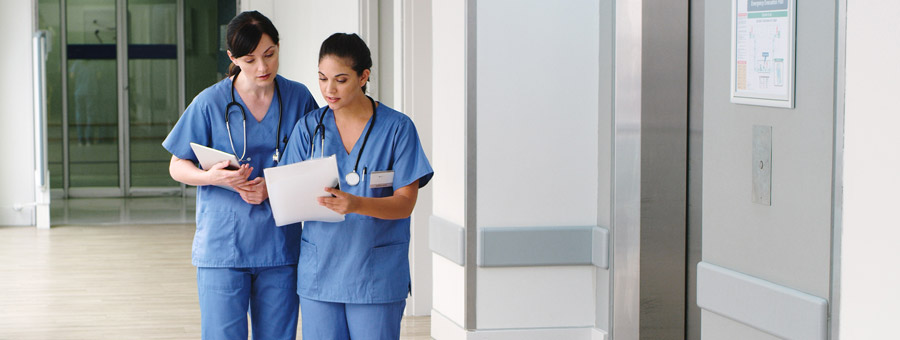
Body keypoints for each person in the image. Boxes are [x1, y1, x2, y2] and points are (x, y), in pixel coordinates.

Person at [161, 11, 317, 340]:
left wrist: (272, 188)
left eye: (270, 54)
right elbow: (177, 165)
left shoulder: (299, 98)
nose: (263, 68)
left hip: (279, 246)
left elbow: (317, 168)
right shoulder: (210, 102)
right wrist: (214, 178)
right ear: (232, 58)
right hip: (223, 247)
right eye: (250, 59)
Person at [280, 33, 433, 340]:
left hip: (375, 274)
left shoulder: (397, 129)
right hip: (320, 271)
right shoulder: (309, 128)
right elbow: (287, 191)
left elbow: (405, 203)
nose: (328, 90)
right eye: (322, 79)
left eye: (340, 79)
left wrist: (356, 204)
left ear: (364, 76)